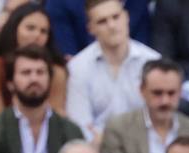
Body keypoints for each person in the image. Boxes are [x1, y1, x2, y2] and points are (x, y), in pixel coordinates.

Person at [65, 0, 159, 144]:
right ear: (90, 28)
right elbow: (80, 126)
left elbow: (159, 120)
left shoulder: (152, 62)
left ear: (126, 17)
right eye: (102, 21)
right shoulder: (77, 67)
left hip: (144, 149)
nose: (112, 26)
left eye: (116, 17)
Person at [0, 2, 68, 118]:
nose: (37, 35)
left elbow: (55, 121)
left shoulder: (56, 72)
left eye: (43, 31)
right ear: (14, 29)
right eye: (30, 28)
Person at [47, 0, 152, 59]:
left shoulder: (138, 3)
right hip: (82, 75)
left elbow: (141, 49)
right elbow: (68, 56)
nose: (111, 25)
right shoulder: (59, 3)